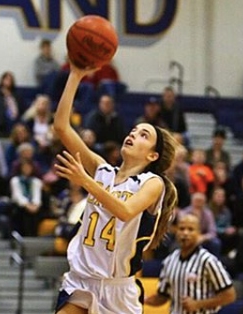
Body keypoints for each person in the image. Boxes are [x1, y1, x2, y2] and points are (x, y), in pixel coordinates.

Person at [53, 62, 178, 314]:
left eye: (144, 135)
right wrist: (76, 76)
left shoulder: (152, 183)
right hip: (81, 280)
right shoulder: (103, 170)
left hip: (117, 290)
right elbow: (61, 127)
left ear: (153, 156)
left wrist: (85, 181)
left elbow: (125, 211)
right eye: (134, 130)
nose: (133, 134)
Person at [144, 214, 236, 314]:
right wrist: (142, 299)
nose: (185, 233)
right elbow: (162, 297)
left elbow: (230, 295)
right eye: (182, 229)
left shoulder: (208, 260)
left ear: (199, 233)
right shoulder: (169, 261)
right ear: (176, 232)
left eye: (191, 229)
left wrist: (198, 304)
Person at [0, 71, 24, 137]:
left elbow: (21, 109)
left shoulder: (17, 95)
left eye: (10, 80)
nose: (8, 81)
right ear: (2, 80)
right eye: (6, 79)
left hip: (13, 125)